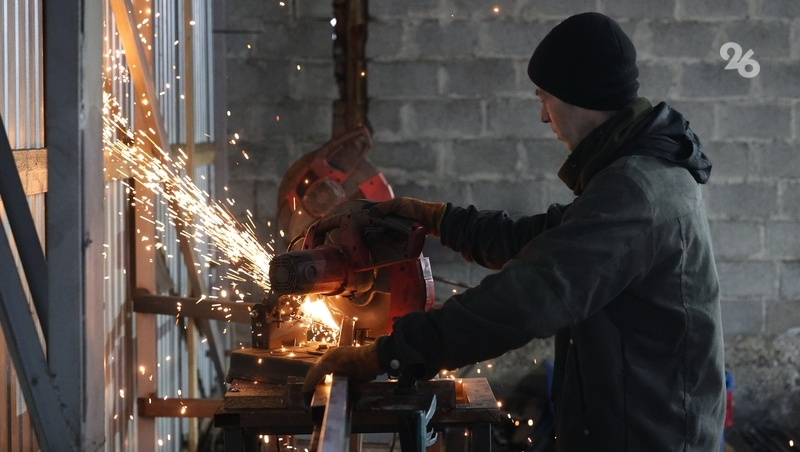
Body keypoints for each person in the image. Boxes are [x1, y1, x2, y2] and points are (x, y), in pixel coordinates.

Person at [303, 11, 726, 451]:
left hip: (653, 438)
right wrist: (434, 217)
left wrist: (390, 353)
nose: (544, 117)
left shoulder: (636, 192)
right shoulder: (635, 175)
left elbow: (531, 293)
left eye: (545, 98)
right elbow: (538, 241)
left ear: (579, 96)